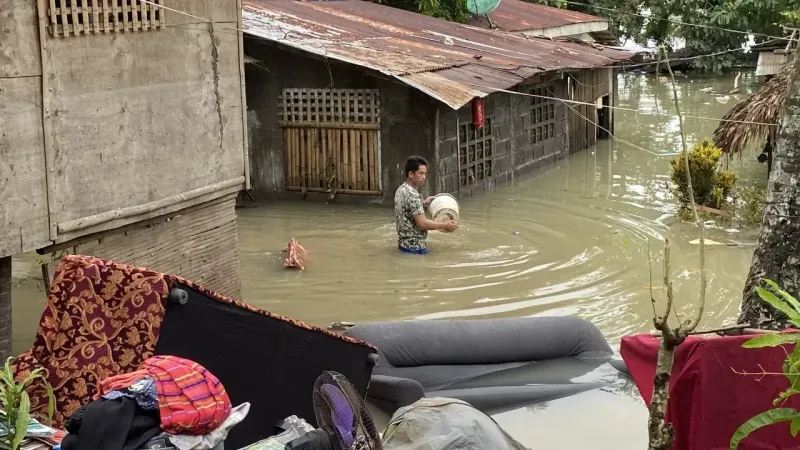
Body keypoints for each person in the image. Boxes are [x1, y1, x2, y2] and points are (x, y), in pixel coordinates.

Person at [395, 156, 458, 254]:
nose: (424, 177)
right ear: (411, 174)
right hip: (415, 247)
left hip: (403, 244)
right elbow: (422, 224)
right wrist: (444, 225)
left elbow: (407, 210)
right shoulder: (413, 196)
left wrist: (423, 203)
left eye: (425, 173)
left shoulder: (401, 189)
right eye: (421, 173)